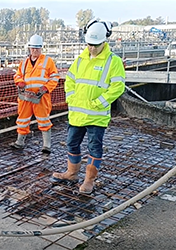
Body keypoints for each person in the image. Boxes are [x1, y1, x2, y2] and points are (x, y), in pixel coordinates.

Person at [51, 19, 125, 194]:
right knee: (71, 143)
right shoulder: (80, 59)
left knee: (94, 147)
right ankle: (72, 173)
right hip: (77, 114)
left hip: (97, 116)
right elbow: (70, 79)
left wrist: (100, 102)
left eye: (96, 45)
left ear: (104, 41)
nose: (92, 48)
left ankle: (89, 181)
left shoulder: (113, 62)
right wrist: (71, 97)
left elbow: (118, 87)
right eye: (89, 44)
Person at [10, 34, 59, 154]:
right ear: (29, 48)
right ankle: (19, 142)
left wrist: (46, 88)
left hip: (40, 97)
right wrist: (20, 82)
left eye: (37, 48)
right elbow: (17, 75)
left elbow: (55, 77)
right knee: (22, 119)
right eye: (32, 48)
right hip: (26, 97)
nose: (34, 50)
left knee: (43, 120)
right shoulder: (25, 62)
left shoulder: (48, 61)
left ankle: (46, 145)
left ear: (41, 48)